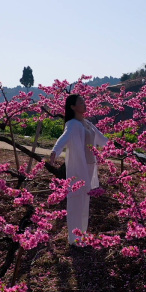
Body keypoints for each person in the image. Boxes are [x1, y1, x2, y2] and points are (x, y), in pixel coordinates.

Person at [46, 94, 108, 245]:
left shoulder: (86, 123)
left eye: (84, 101)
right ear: (73, 107)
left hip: (90, 165)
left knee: (85, 201)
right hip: (79, 167)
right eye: (80, 102)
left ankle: (82, 235)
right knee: (76, 201)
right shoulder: (73, 124)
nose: (84, 104)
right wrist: (55, 151)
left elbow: (101, 139)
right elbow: (64, 137)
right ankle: (74, 238)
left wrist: (118, 149)